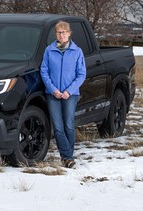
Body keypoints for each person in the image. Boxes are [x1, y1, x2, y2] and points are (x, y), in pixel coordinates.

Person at [40, 21, 86, 168]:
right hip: (53, 94)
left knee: (68, 126)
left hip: (70, 95)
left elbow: (81, 74)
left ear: (69, 33)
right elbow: (44, 71)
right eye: (59, 32)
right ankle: (67, 157)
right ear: (56, 34)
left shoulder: (77, 51)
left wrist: (68, 91)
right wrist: (53, 89)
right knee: (58, 127)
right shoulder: (49, 50)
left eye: (64, 32)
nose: (62, 35)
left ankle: (67, 157)